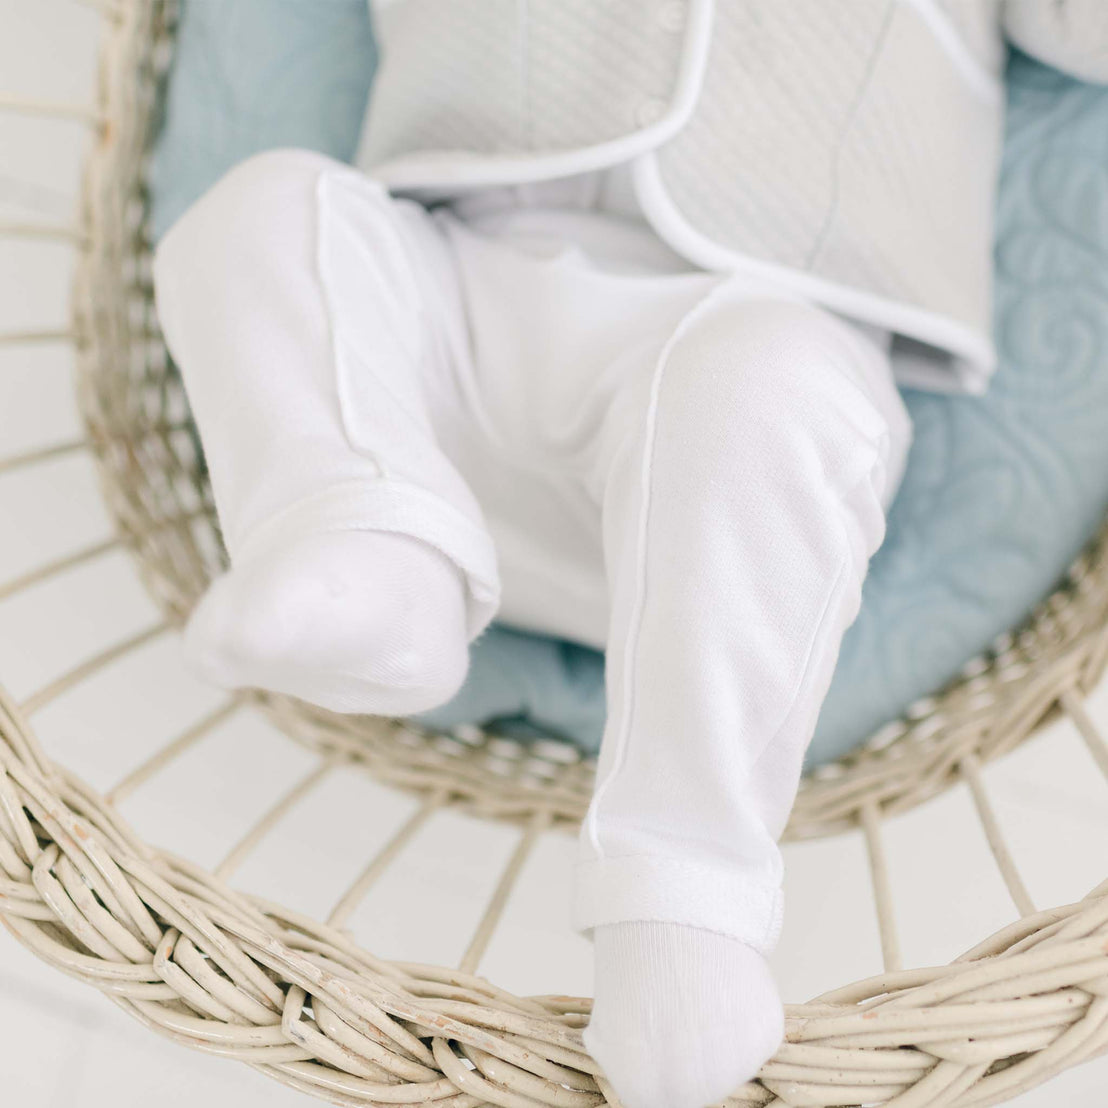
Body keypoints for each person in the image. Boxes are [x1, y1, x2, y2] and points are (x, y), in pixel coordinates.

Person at [151, 3, 1108, 1105]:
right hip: (451, 313)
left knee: (774, 390)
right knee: (263, 212)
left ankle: (683, 891)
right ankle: (365, 537)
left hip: (753, 342)